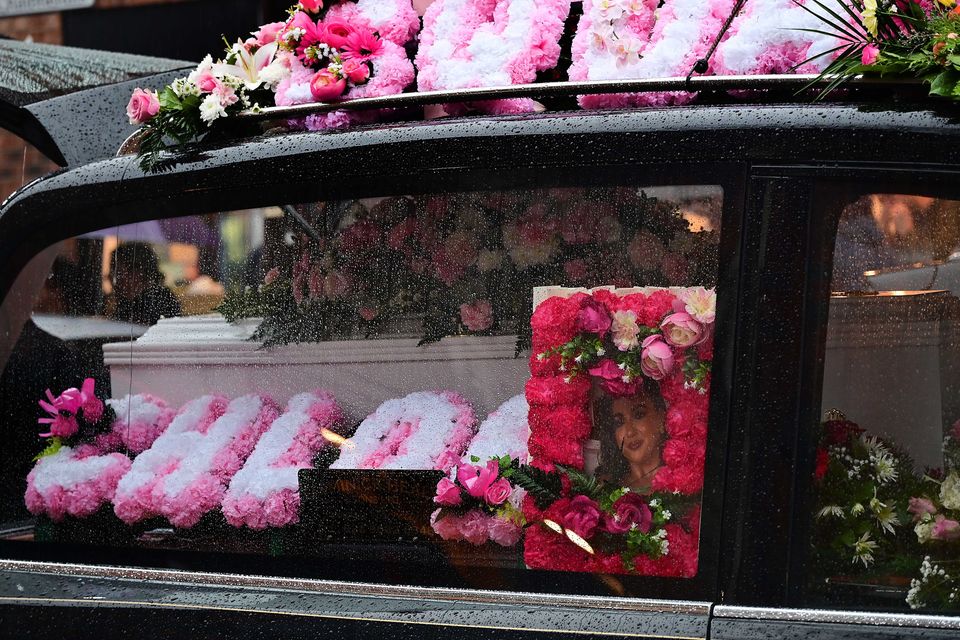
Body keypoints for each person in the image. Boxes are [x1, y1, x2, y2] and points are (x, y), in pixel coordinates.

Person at [594, 378, 667, 493]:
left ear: (661, 418)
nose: (629, 432)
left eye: (639, 415)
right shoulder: (604, 488)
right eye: (619, 423)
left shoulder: (684, 479)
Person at [108, 242, 181, 326]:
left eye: (117, 271)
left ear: (138, 271)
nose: (111, 277)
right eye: (113, 270)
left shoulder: (159, 299)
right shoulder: (126, 302)